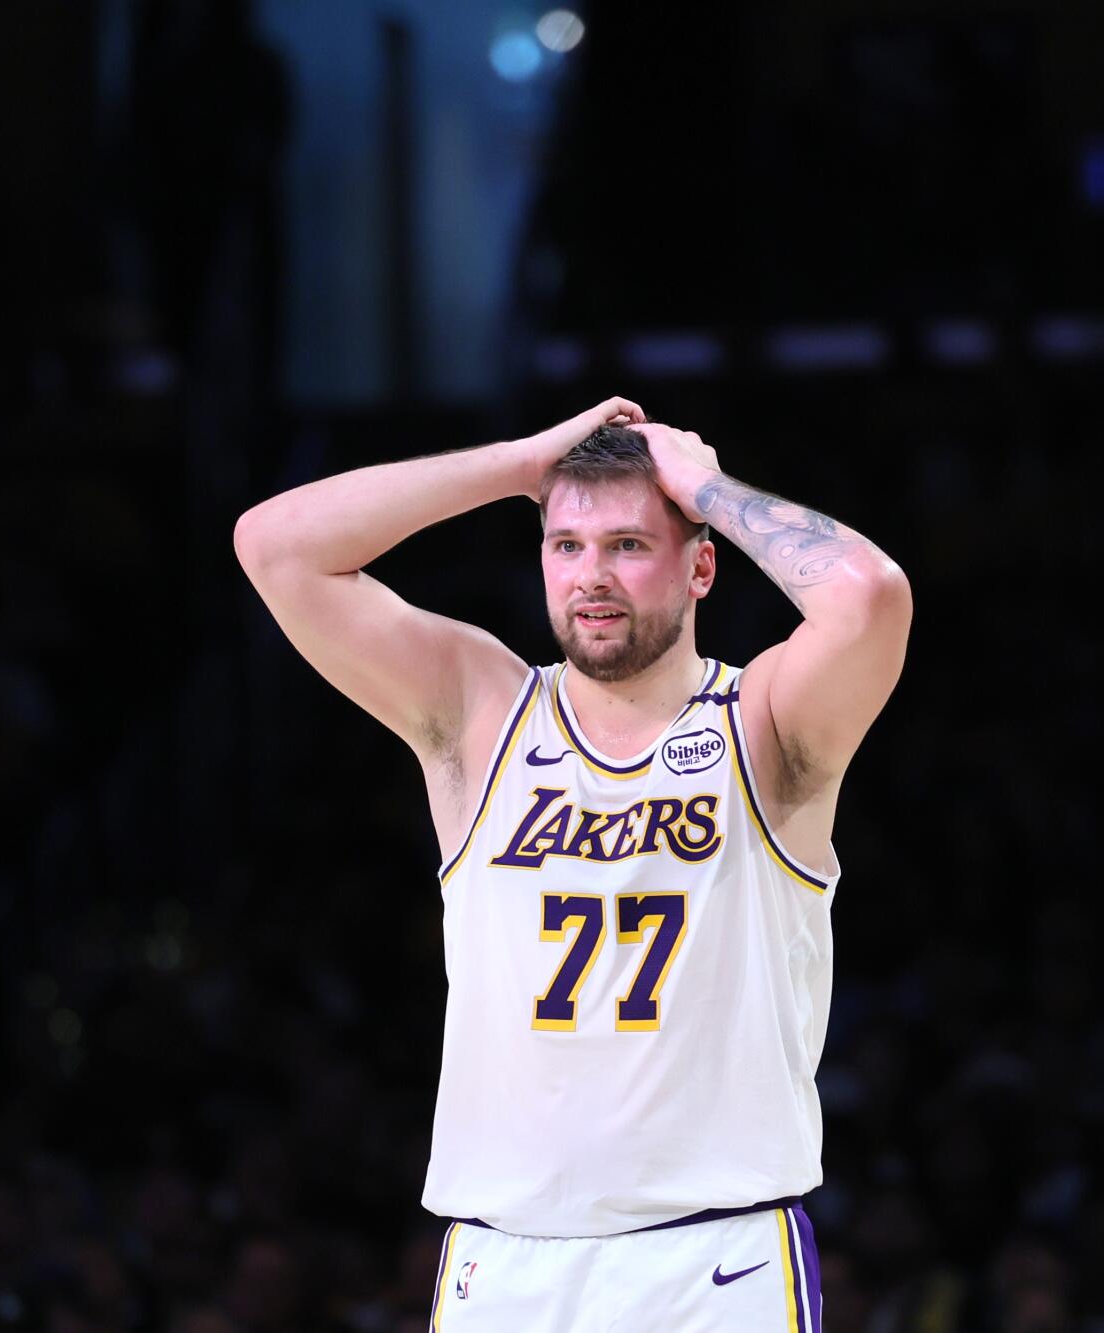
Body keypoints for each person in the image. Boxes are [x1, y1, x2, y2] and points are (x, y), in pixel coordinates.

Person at [233, 398, 913, 1330]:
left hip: (712, 1255)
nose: (593, 576)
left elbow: (868, 595)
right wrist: (517, 465)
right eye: (566, 546)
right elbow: (274, 545)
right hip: (504, 1257)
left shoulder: (764, 723)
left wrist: (705, 488)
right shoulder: (482, 711)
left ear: (701, 563)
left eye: (630, 544)